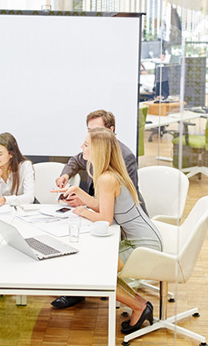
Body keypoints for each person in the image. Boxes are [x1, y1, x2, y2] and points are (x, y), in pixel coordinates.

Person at [55, 128, 163, 334]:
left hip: (144, 246)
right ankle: (141, 305)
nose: (81, 148)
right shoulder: (109, 175)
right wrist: (78, 193)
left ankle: (140, 306)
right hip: (143, 238)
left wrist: (82, 211)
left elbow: (104, 218)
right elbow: (103, 207)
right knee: (97, 263)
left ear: (99, 150)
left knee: (97, 269)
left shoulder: (106, 178)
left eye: (86, 145)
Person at [51, 109, 146, 310]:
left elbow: (117, 204)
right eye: (89, 131)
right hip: (106, 210)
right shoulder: (93, 153)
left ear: (109, 131)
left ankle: (102, 288)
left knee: (93, 256)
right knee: (82, 245)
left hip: (124, 221)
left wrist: (86, 208)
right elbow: (75, 161)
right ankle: (79, 289)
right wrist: (67, 178)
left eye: (96, 131)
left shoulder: (124, 158)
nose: (91, 136)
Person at [0, 132, 35, 207]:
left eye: (0, 154)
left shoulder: (25, 166)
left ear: (11, 154)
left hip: (22, 213)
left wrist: (5, 200)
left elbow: (29, 198)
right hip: (3, 214)